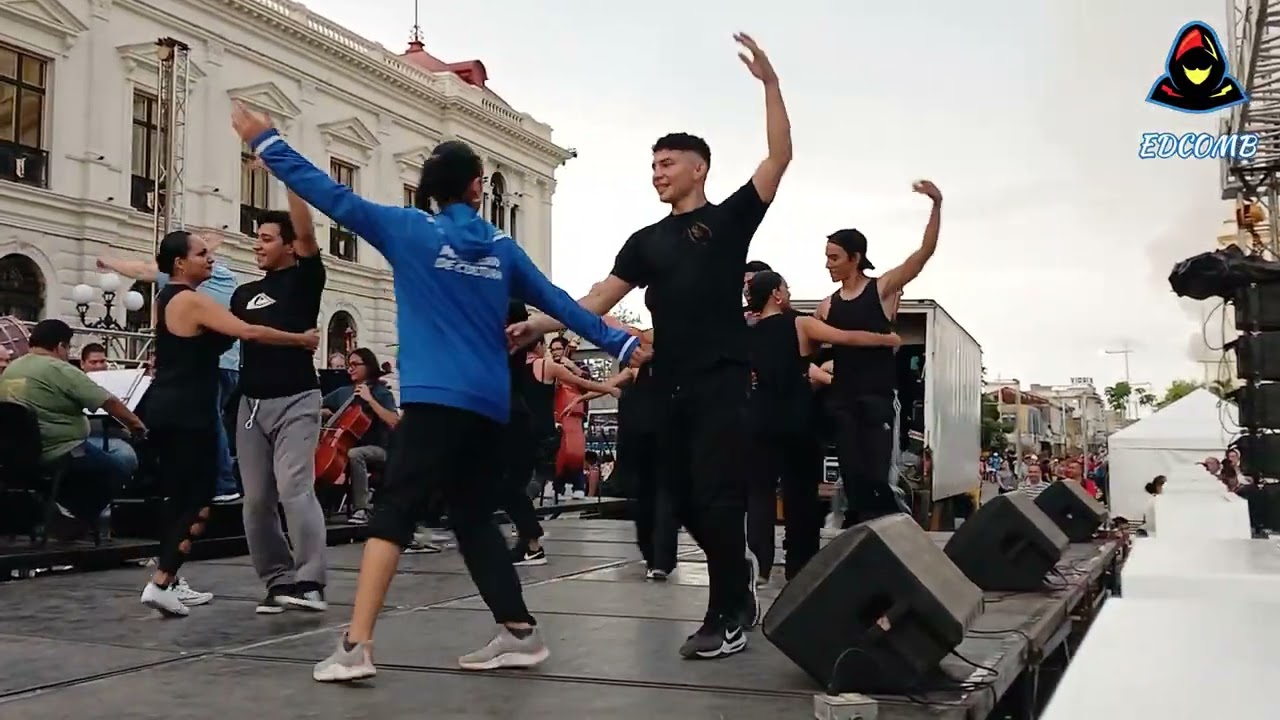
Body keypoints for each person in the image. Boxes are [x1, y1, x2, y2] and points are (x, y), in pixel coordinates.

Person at [230, 104, 648, 681]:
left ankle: (356, 646)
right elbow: (561, 303)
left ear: (431, 187)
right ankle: (519, 632)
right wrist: (620, 345)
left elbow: (329, 195)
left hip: (436, 400)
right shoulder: (501, 248)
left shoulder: (407, 230)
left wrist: (267, 143)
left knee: (395, 509)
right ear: (477, 189)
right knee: (473, 514)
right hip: (487, 406)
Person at [508, 33, 791, 659]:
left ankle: (726, 611)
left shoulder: (728, 221)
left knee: (715, 497)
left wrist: (770, 85)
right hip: (666, 384)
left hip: (721, 378)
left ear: (699, 169)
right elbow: (597, 300)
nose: (658, 173)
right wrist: (539, 324)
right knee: (677, 498)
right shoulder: (644, 241)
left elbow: (778, 157)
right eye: (653, 164)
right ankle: (734, 581)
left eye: (668, 163)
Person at [139, 230, 318, 616]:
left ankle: (168, 578)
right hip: (189, 411)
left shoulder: (167, 298)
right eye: (202, 254)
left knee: (181, 498)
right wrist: (301, 340)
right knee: (201, 500)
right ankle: (162, 580)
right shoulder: (190, 300)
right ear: (179, 264)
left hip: (169, 407)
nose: (211, 260)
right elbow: (248, 331)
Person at [743, 271, 901, 582]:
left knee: (759, 493)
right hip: (797, 416)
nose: (788, 292)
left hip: (760, 416)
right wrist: (886, 339)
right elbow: (847, 337)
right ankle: (799, 567)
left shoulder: (748, 332)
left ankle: (759, 565)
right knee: (799, 493)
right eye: (785, 288)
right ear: (777, 294)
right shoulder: (798, 323)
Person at [815, 180, 942, 525]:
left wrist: (936, 206)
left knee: (874, 477)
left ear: (855, 259)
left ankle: (892, 528)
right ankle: (861, 537)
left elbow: (923, 254)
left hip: (876, 400)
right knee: (853, 479)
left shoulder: (882, 289)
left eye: (834, 257)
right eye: (826, 257)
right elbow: (808, 344)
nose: (828, 264)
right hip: (842, 400)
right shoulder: (827, 305)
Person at [231, 190, 330, 615]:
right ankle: (278, 580)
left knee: (294, 487)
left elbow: (306, 230)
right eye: (257, 237)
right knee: (255, 500)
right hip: (251, 405)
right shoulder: (243, 294)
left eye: (267, 237)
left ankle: (309, 580)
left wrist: (285, 173)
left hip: (297, 400)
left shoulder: (307, 279)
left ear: (289, 246)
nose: (258, 243)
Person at [98, 241, 244, 504]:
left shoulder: (186, 283)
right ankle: (211, 482)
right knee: (211, 419)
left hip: (203, 364)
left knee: (207, 420)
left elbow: (142, 270)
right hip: (229, 364)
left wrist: (110, 262)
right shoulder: (226, 277)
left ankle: (221, 483)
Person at [0, 319, 146, 523]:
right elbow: (108, 401)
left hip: (19, 457)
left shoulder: (11, 370)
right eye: (68, 347)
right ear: (60, 346)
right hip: (61, 451)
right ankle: (78, 519)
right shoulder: (59, 369)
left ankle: (60, 511)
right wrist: (136, 425)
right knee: (121, 465)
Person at [320, 347, 399, 524]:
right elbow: (320, 406)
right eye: (349, 365)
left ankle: (361, 508)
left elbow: (394, 421)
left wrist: (370, 399)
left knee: (355, 454)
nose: (350, 368)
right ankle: (320, 504)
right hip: (348, 445)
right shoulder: (344, 392)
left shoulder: (380, 393)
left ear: (369, 366)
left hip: (381, 449)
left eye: (355, 364)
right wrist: (326, 413)